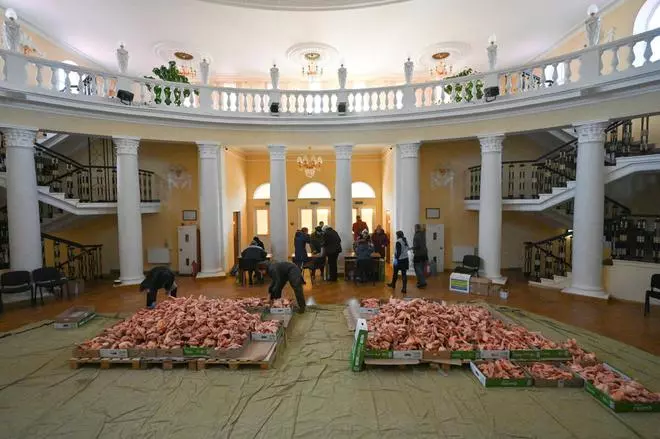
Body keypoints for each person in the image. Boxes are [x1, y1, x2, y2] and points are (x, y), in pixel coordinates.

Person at [412, 224, 429, 289]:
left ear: (416, 228)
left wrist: (412, 248)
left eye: (414, 228)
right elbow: (424, 229)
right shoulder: (423, 234)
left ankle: (422, 282)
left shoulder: (416, 235)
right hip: (424, 254)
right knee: (422, 268)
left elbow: (417, 246)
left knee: (418, 269)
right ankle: (420, 281)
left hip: (418, 255)